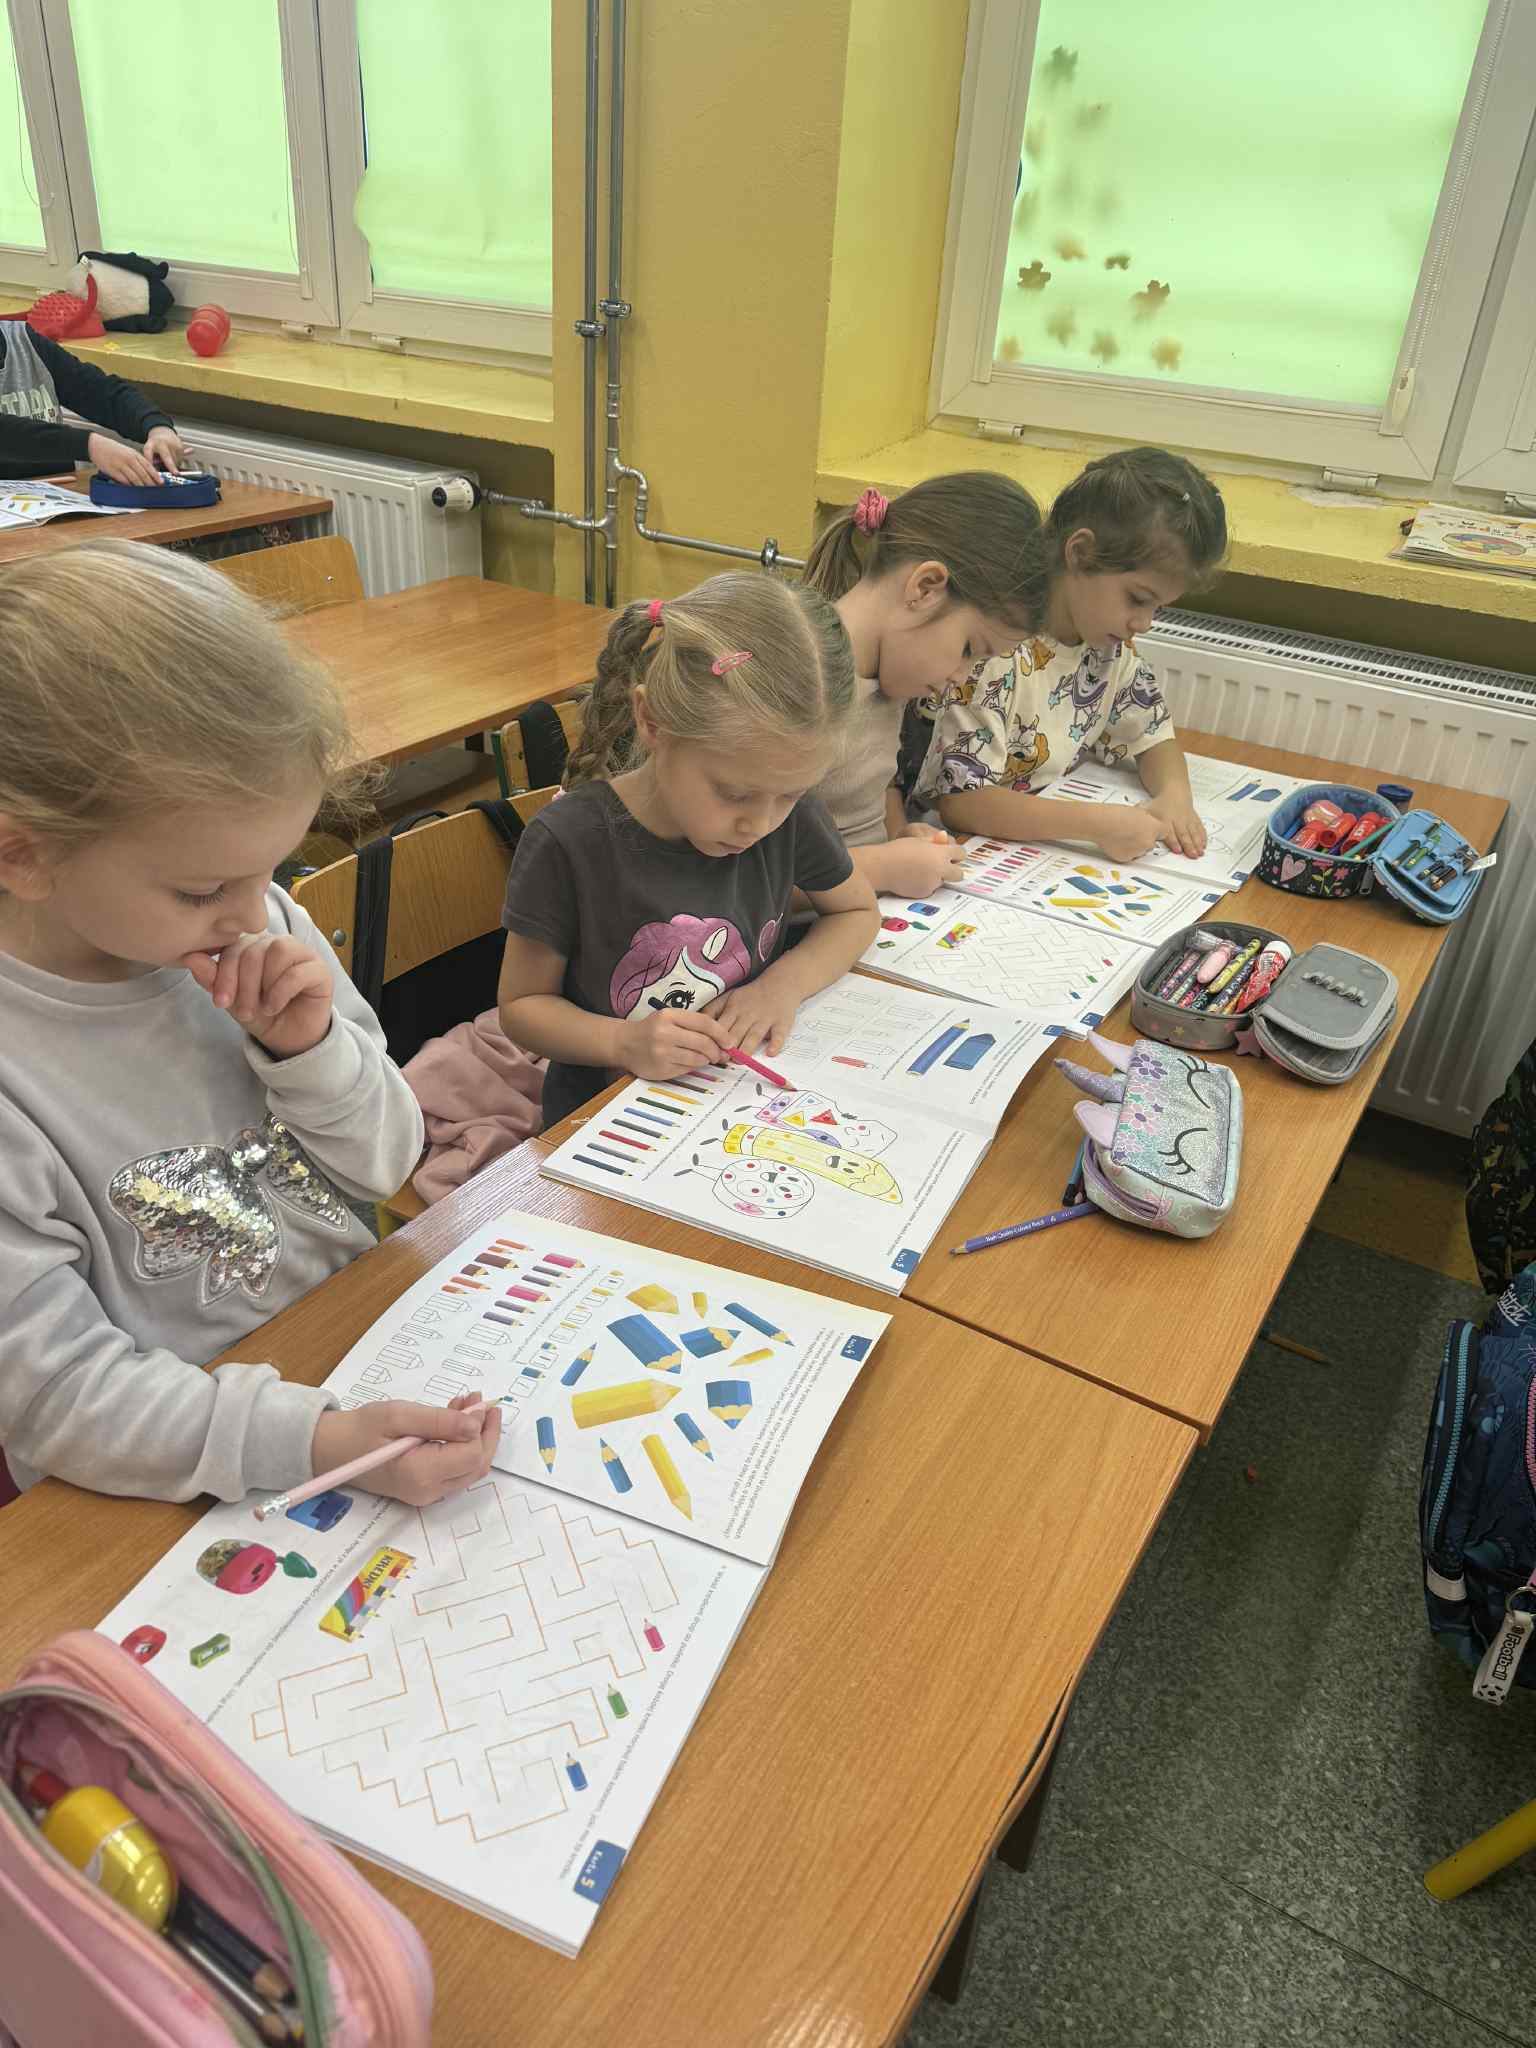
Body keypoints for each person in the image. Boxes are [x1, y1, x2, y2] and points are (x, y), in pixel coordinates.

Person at [0, 541, 500, 1503]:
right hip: (169, 1467)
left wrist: (310, 1054)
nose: (252, 914)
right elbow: (58, 1396)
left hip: (352, 1348)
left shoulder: (255, 919)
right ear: (22, 856)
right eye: (201, 890)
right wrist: (312, 1443)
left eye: (272, 868)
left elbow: (387, 1164)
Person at [499, 572, 879, 1126]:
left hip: (739, 1103)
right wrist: (623, 1042)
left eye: (790, 794)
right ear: (653, 722)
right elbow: (521, 1008)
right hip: (605, 1117)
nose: (759, 824)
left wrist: (782, 986)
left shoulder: (789, 816)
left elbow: (856, 912)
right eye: (733, 793)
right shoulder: (569, 842)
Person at [912, 447, 1227, 863]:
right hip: (938, 846)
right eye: (1138, 599)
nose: (1145, 623)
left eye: (1158, 608)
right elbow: (962, 801)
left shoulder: (1105, 647)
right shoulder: (994, 644)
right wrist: (1096, 825)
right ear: (1080, 554)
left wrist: (1175, 796)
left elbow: (1152, 733)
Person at [801, 471, 1048, 895]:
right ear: (926, 587)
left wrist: (899, 837)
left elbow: (862, 795)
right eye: (969, 649)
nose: (961, 677)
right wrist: (881, 867)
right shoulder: (798, 687)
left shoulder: (886, 675)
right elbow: (739, 882)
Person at [0, 319, 188, 483]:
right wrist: (90, 446)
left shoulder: (23, 339)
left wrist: (157, 427)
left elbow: (100, 390)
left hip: (55, 496)